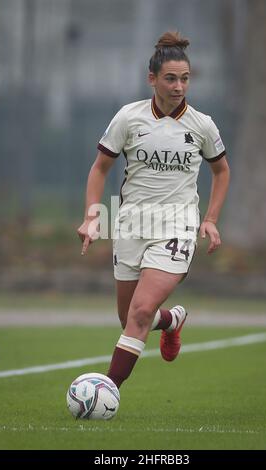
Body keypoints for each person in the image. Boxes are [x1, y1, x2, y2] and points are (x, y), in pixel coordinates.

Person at [77, 31, 230, 390]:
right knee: (129, 318)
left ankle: (106, 390)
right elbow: (100, 168)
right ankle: (173, 321)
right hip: (130, 224)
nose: (179, 86)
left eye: (185, 78)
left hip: (177, 226)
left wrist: (209, 219)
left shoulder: (202, 125)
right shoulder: (128, 118)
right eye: (171, 78)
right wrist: (92, 216)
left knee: (140, 313)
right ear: (152, 79)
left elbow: (221, 171)